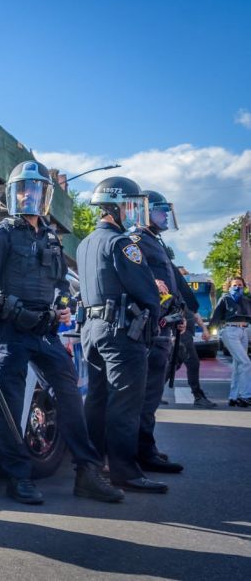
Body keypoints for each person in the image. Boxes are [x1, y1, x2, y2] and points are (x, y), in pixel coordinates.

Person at [0, 161, 123, 505]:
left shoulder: (51, 237)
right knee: (9, 408)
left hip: (45, 332)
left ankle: (87, 472)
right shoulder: (1, 235)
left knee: (70, 397)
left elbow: (60, 284)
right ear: (13, 194)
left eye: (35, 189)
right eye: (22, 188)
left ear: (44, 196)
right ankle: (18, 478)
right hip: (9, 333)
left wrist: (65, 305)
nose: (28, 195)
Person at [77, 177, 167, 493]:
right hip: (121, 333)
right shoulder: (123, 243)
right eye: (130, 206)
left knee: (97, 402)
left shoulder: (86, 242)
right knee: (125, 404)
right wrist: (156, 319)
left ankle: (90, 468)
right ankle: (125, 472)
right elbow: (146, 291)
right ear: (116, 208)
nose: (134, 214)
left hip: (92, 329)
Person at [127, 191, 186, 474]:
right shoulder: (136, 239)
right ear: (145, 212)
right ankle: (142, 452)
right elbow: (138, 278)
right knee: (146, 396)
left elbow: (171, 284)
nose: (164, 217)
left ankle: (146, 447)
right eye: (160, 211)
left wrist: (180, 313)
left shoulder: (154, 241)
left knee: (151, 396)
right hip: (151, 329)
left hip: (165, 323)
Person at [175, 268, 217, 408]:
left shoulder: (186, 295)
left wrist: (205, 329)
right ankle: (198, 396)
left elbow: (195, 314)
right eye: (182, 275)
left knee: (171, 366)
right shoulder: (173, 293)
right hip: (180, 334)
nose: (185, 278)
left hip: (187, 334)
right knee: (193, 363)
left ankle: (152, 393)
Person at [210, 277, 251, 407]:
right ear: (229, 287)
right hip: (230, 331)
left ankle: (233, 397)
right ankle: (245, 396)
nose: (237, 287)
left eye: (240, 285)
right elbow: (216, 315)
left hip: (244, 331)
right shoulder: (225, 299)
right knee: (245, 362)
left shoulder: (246, 301)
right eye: (234, 285)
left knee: (238, 364)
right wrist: (210, 331)